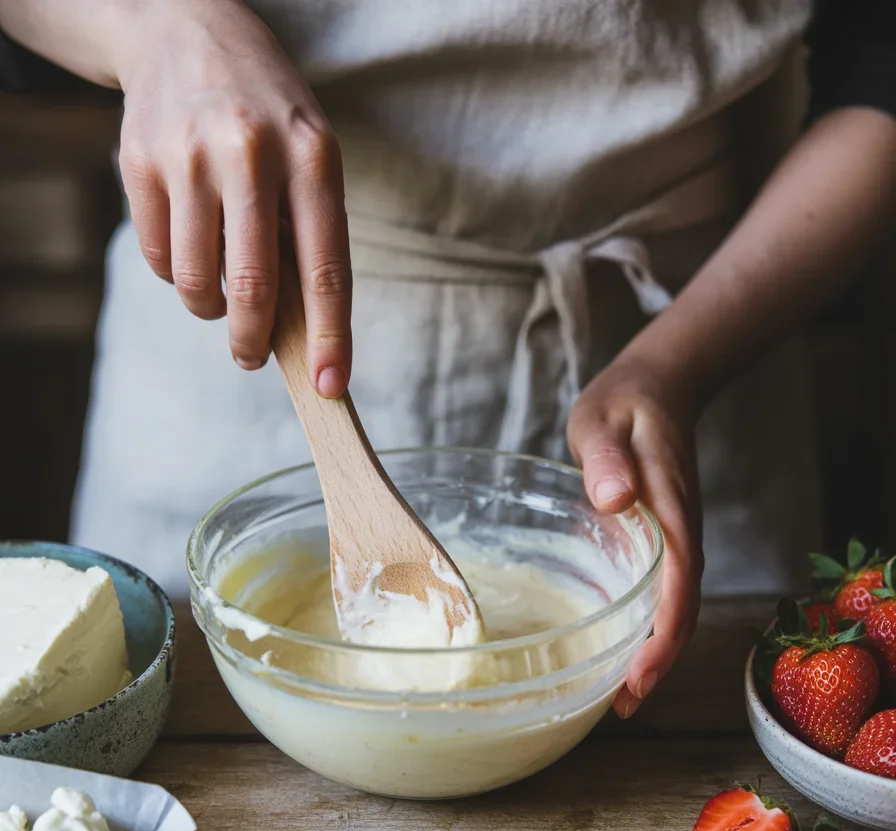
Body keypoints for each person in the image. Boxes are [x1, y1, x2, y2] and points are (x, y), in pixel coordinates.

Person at [1, 1, 895, 720]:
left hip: (693, 327)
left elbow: (878, 65)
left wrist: (677, 365)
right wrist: (153, 26)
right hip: (229, 330)